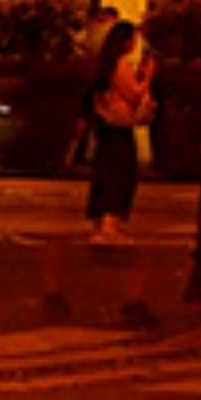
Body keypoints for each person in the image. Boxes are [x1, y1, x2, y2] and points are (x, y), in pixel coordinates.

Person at [82, 17, 155, 246]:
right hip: (119, 126)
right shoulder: (120, 64)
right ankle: (110, 224)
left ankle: (100, 222)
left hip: (106, 124)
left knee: (105, 173)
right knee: (120, 175)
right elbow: (133, 93)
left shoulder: (105, 64)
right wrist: (148, 76)